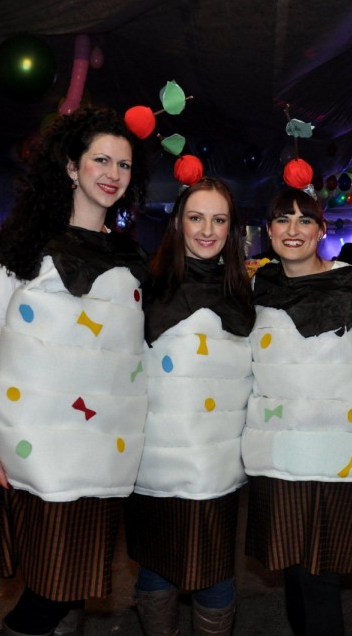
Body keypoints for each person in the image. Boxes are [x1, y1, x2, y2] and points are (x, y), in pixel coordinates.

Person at [0, 106, 150, 636]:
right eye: (101, 160)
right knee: (51, 586)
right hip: (36, 448)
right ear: (71, 166)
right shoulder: (22, 245)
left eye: (124, 165)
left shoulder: (130, 257)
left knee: (75, 582)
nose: (113, 174)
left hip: (105, 452)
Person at [241, 188, 352, 636]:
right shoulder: (259, 287)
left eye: (305, 220)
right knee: (292, 568)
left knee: (319, 574)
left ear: (321, 230)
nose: (293, 229)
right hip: (279, 450)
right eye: (282, 219)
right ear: (269, 231)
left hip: (338, 452)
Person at [125, 177, 256, 636]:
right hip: (153, 461)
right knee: (156, 567)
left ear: (231, 229)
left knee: (214, 572)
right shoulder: (145, 285)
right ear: (178, 222)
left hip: (217, 465)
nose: (207, 230)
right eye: (196, 218)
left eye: (219, 220)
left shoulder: (245, 290)